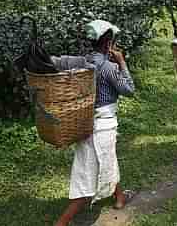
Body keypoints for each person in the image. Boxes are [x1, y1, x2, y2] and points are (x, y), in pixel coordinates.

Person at [55, 20, 134, 226]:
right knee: (88, 177)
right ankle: (62, 222)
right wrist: (122, 62)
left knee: (109, 161)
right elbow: (129, 90)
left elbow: (57, 61)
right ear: (109, 44)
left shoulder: (80, 62)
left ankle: (119, 197)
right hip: (103, 127)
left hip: (84, 123)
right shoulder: (109, 68)